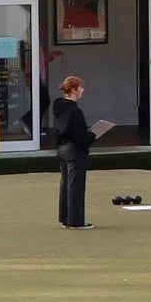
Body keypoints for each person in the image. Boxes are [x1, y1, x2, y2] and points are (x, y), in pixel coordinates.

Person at [52, 73, 93, 229]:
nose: (82, 90)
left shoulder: (59, 108)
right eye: (81, 87)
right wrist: (92, 136)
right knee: (75, 186)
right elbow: (80, 135)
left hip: (62, 148)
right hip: (75, 150)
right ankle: (76, 221)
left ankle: (65, 218)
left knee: (65, 185)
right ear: (75, 90)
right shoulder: (75, 111)